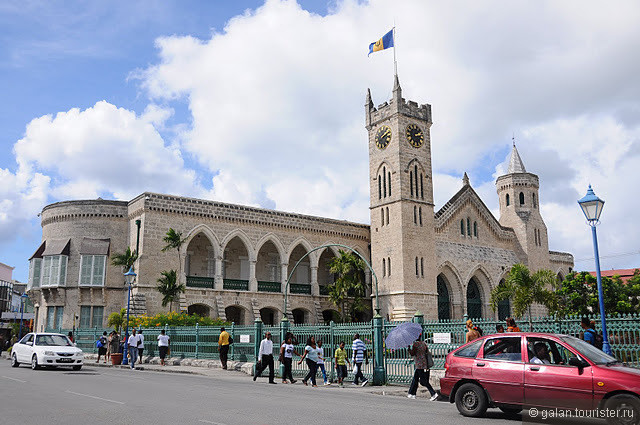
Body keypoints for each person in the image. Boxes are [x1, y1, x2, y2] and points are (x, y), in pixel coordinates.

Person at [407, 335, 438, 401]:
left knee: (424, 381)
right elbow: (426, 352)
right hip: (424, 364)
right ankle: (412, 393)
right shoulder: (424, 343)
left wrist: (409, 349)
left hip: (419, 364)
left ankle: (433, 393)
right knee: (415, 379)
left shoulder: (415, 344)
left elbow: (413, 353)